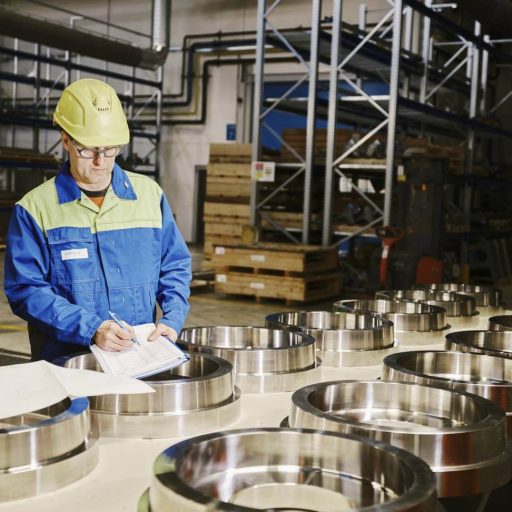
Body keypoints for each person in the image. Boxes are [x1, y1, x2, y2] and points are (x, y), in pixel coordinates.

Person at [4, 78, 192, 362]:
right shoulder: (34, 209)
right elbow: (25, 290)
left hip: (138, 359)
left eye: (110, 149)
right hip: (67, 362)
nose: (101, 161)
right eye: (88, 150)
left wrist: (172, 318)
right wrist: (91, 329)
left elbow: (174, 264)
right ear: (65, 139)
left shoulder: (149, 195)